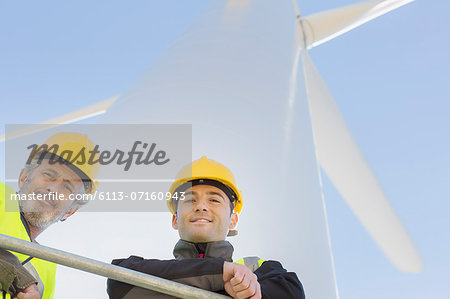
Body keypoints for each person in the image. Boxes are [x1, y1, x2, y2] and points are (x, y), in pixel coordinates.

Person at [107, 156, 304, 298]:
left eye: (214, 200)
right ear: (175, 219)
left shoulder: (258, 269)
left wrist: (255, 292)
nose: (201, 206)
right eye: (190, 200)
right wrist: (220, 272)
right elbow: (118, 281)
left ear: (233, 220)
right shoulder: (147, 272)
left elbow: (292, 292)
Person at [0, 132, 100, 299]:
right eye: (48, 175)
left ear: (70, 211)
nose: (53, 190)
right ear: (24, 178)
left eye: (67, 188)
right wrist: (18, 277)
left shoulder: (47, 268)